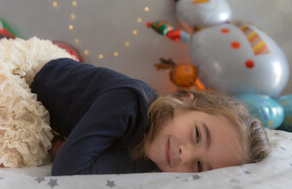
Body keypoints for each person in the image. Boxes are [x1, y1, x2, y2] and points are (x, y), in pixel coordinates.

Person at [30, 58, 271, 176]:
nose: (184, 155)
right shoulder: (129, 103)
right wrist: (61, 150)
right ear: (185, 100)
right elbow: (69, 172)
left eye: (198, 167)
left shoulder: (154, 156)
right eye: (197, 134)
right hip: (48, 76)